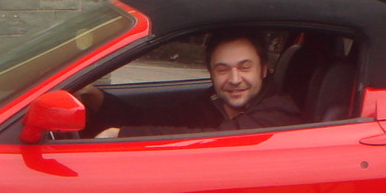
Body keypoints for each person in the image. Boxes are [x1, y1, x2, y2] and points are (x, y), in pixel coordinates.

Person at [80, 28, 303, 136]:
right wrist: (97, 98)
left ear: (263, 69)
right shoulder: (215, 102)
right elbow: (162, 120)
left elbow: (212, 140)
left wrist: (121, 135)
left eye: (245, 67)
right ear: (211, 73)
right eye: (223, 69)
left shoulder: (278, 113)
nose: (235, 80)